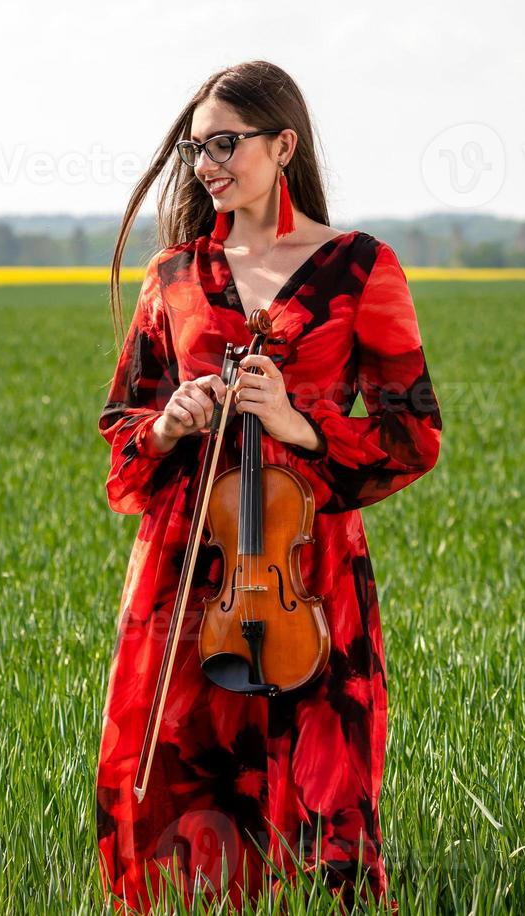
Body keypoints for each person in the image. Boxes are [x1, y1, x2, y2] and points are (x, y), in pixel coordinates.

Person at [95, 60, 443, 914]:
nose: (206, 162)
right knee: (171, 797)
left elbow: (414, 436)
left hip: (305, 573)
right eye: (195, 147)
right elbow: (121, 433)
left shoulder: (361, 268)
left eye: (225, 143)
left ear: (282, 145)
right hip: (187, 573)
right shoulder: (173, 276)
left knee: (326, 797)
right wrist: (171, 422)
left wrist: (302, 424)